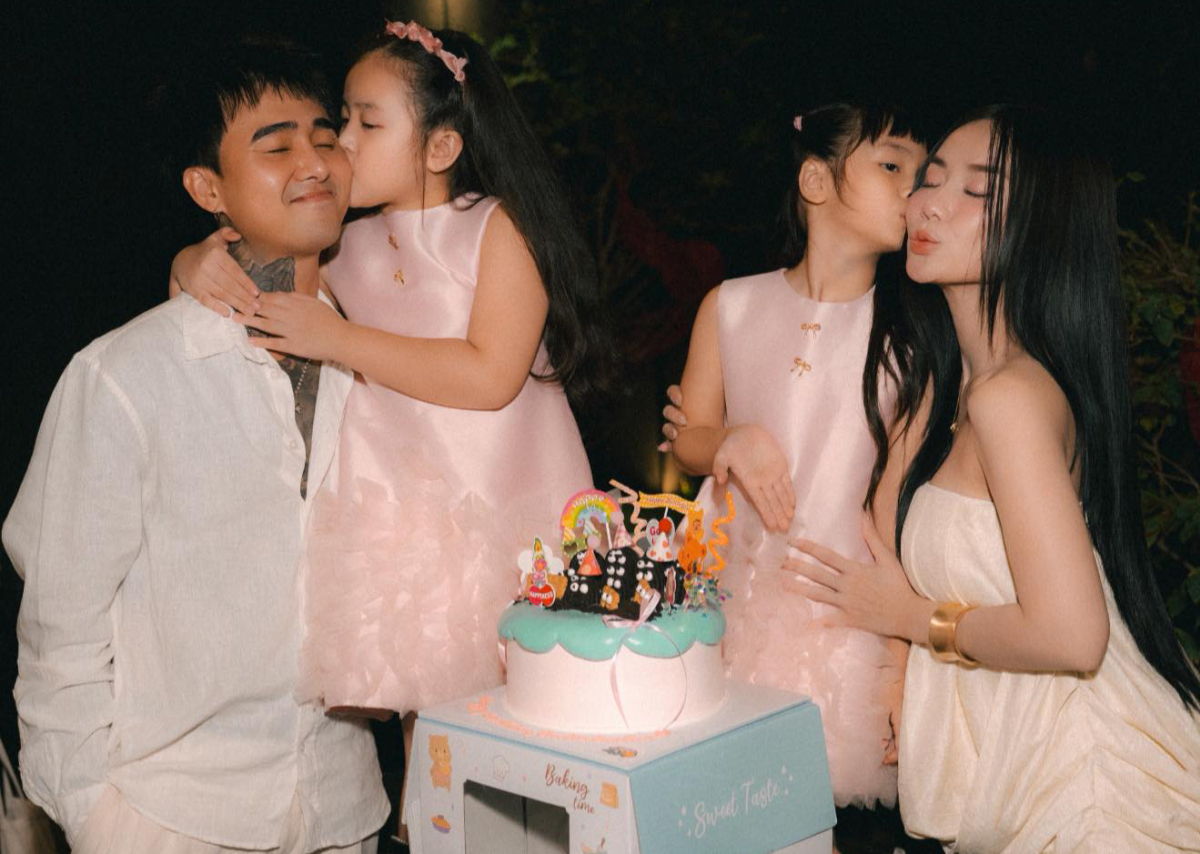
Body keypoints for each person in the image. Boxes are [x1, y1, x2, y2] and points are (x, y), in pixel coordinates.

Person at [2, 38, 389, 853]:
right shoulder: (126, 375)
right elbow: (61, 626)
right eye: (275, 147)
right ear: (208, 189)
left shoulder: (387, 356)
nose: (314, 162)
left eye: (326, 137)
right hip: (170, 816)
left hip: (344, 808)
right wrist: (93, 815)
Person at [789, 105, 1200, 851]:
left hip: (1087, 793)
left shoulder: (1009, 398)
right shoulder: (957, 393)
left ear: (1041, 226)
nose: (929, 203)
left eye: (977, 190)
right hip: (1023, 774)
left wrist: (912, 618)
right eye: (930, 178)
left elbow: (1072, 635)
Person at [172, 22, 609, 721]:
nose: (340, 143)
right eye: (342, 119)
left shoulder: (496, 228)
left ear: (440, 148)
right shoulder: (343, 243)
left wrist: (341, 338)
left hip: (504, 515)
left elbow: (490, 375)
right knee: (426, 730)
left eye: (367, 124)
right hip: (406, 536)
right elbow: (239, 291)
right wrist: (190, 261)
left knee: (535, 723)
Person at [665, 103, 927, 821]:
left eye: (920, 172)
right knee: (709, 818)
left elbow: (896, 515)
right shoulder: (730, 305)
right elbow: (688, 438)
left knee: (799, 822)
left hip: (836, 626)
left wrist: (898, 666)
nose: (914, 189)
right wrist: (729, 440)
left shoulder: (910, 343)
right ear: (816, 180)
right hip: (720, 607)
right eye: (892, 165)